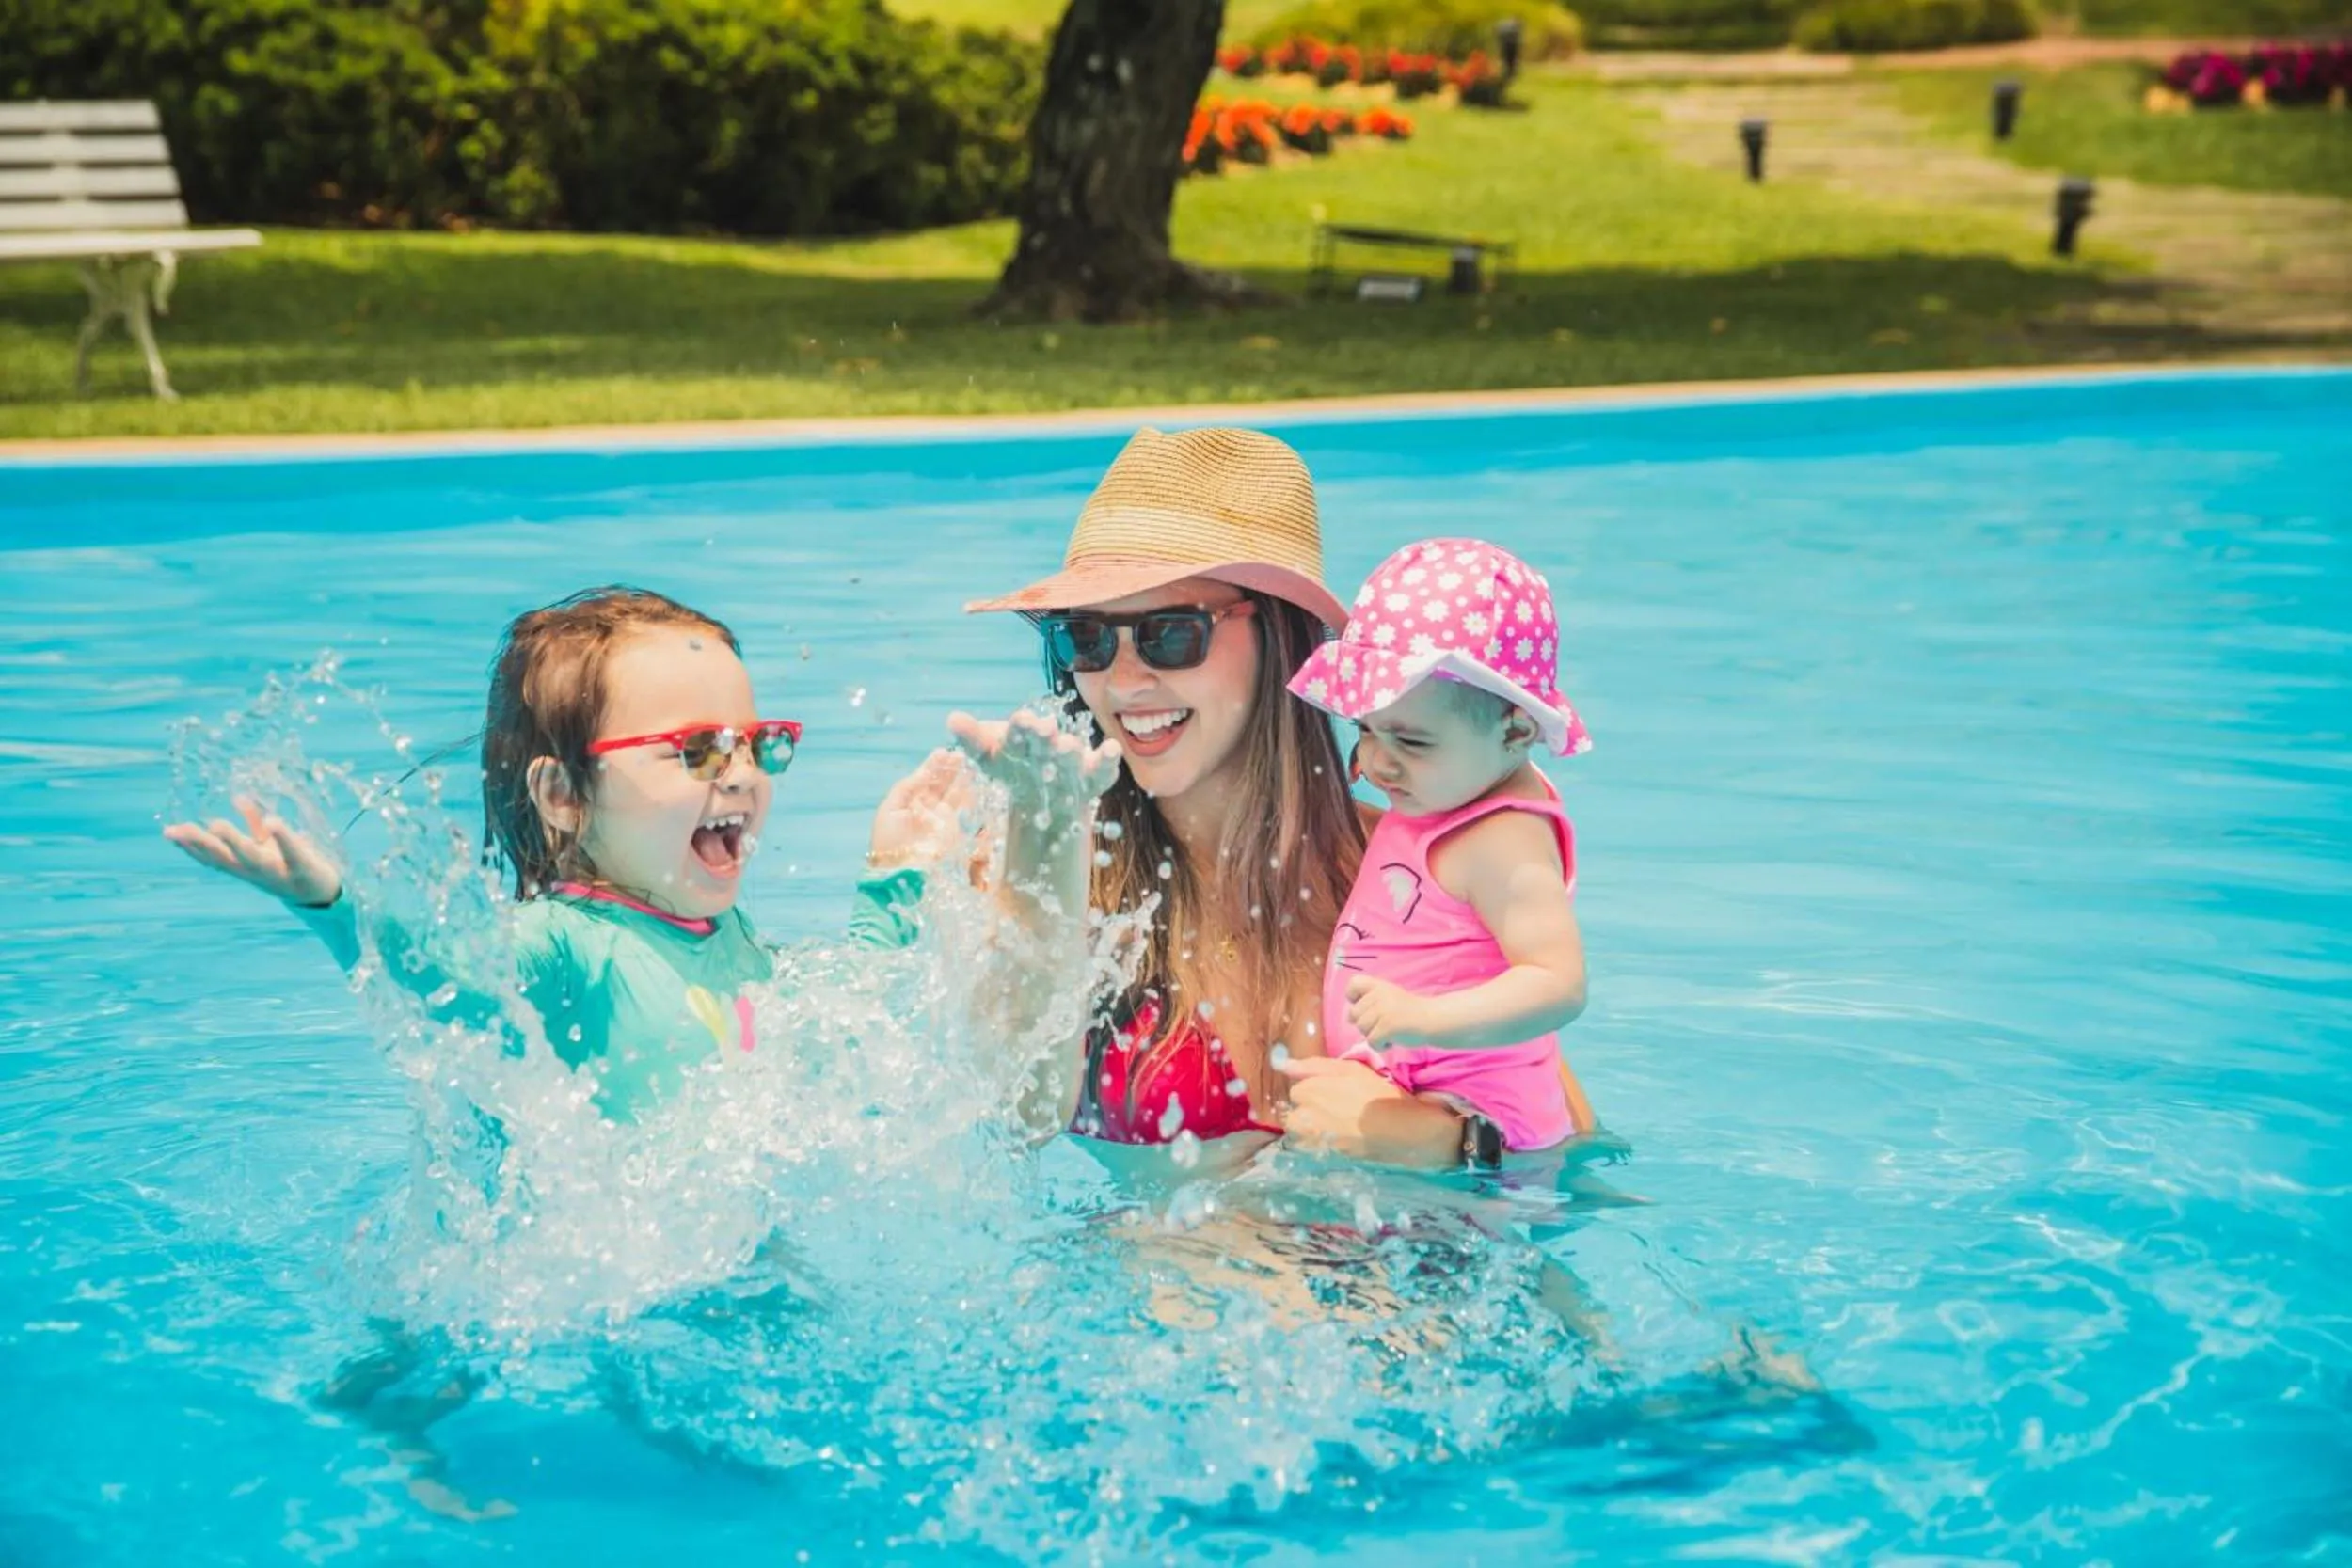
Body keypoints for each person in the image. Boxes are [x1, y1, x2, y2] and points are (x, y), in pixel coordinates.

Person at [871, 427, 1579, 1167]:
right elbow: (1015, 1117)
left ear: (1282, 638)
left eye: (1170, 633)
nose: (1121, 681)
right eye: (1086, 637)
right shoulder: (1044, 871)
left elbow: (1562, 1141)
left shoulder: (1410, 877)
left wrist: (1450, 1141)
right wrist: (1044, 846)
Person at [163, 584, 917, 1120]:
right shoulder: (563, 946)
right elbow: (447, 978)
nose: (744, 774)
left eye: (759, 743)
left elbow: (841, 1016)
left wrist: (897, 872)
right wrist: (334, 904)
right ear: (564, 796)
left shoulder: (721, 931)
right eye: (698, 751)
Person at [1289, 538, 1594, 1157]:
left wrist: (1426, 1018)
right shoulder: (1451, 792)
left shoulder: (1501, 837)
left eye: (1412, 742)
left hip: (1483, 1132)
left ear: (1516, 729)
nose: (1377, 761)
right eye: (1365, 730)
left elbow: (1559, 982)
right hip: (1422, 1102)